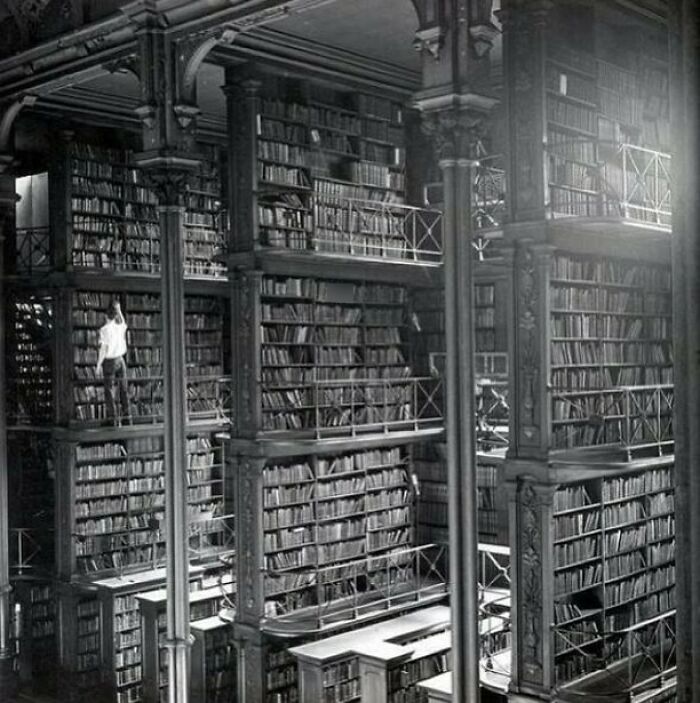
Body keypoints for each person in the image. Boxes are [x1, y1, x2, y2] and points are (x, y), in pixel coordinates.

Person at [96, 299, 132, 425]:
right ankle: (127, 416)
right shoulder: (119, 327)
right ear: (115, 315)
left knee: (109, 390)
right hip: (121, 360)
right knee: (123, 388)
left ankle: (113, 419)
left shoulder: (104, 330)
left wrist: (98, 364)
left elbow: (104, 349)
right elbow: (123, 322)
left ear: (106, 316)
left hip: (110, 361)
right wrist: (119, 309)